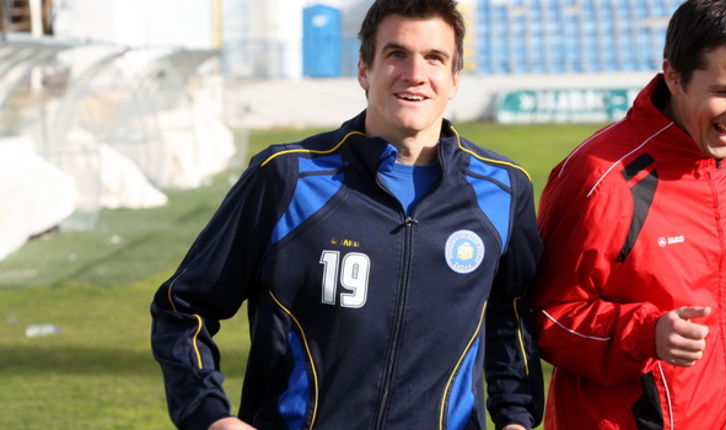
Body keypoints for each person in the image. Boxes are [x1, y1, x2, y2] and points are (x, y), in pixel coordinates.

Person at [150, 1, 544, 429]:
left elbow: (511, 318)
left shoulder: (503, 189)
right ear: (364, 70)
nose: (415, 73)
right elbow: (183, 307)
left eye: (434, 57)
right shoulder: (288, 178)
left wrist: (516, 417)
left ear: (454, 79)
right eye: (396, 54)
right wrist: (209, 416)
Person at [531, 0, 726, 429]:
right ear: (674, 77)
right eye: (724, 92)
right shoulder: (601, 178)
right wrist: (645, 334)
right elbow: (548, 315)